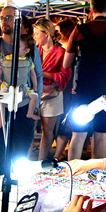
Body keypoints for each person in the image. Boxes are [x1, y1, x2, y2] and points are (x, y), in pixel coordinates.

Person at [0, 5, 46, 172]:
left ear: (18, 21)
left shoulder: (30, 49)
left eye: (8, 17)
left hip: (24, 106)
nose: (4, 21)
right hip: (0, 106)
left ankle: (17, 184)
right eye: (2, 18)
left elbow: (38, 76)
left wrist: (35, 103)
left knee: (21, 153)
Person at [62, 0, 106, 160]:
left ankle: (73, 171)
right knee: (101, 137)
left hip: (82, 89)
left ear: (91, 8)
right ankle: (96, 173)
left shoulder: (79, 30)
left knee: (78, 135)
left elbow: (66, 64)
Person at [0, 32, 40, 144]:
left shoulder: (28, 61)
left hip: (23, 87)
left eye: (18, 46)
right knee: (0, 100)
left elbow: (33, 74)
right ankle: (2, 120)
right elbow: (0, 68)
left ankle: (30, 112)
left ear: (26, 50)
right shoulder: (8, 58)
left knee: (35, 96)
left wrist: (35, 86)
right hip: (7, 86)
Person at [33, 18, 70, 160]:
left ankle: (41, 162)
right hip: (35, 94)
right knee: (30, 128)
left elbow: (65, 74)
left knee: (47, 131)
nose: (35, 36)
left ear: (46, 34)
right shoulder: (35, 51)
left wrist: (46, 74)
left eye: (37, 33)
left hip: (53, 95)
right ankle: (28, 158)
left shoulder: (61, 52)